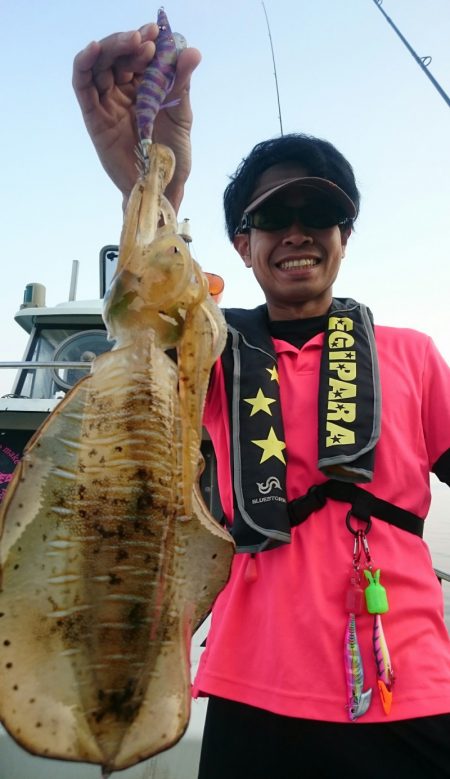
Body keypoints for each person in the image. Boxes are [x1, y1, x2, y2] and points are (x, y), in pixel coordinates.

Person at [73, 20, 450, 779]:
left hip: (406, 682)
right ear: (241, 245)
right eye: (271, 217)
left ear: (347, 234)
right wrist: (148, 184)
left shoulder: (411, 353)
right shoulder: (208, 352)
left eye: (319, 215)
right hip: (252, 688)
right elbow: (152, 308)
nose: (296, 232)